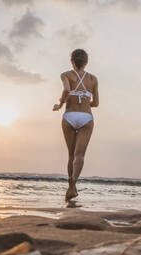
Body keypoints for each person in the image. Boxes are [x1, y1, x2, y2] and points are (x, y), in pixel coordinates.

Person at [53, 49, 99, 204]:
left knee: (71, 155)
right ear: (86, 62)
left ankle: (71, 186)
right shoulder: (93, 79)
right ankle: (73, 185)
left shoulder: (66, 75)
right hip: (86, 117)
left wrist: (60, 104)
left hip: (69, 115)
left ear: (71, 61)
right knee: (80, 156)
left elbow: (66, 89)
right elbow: (96, 103)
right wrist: (85, 102)